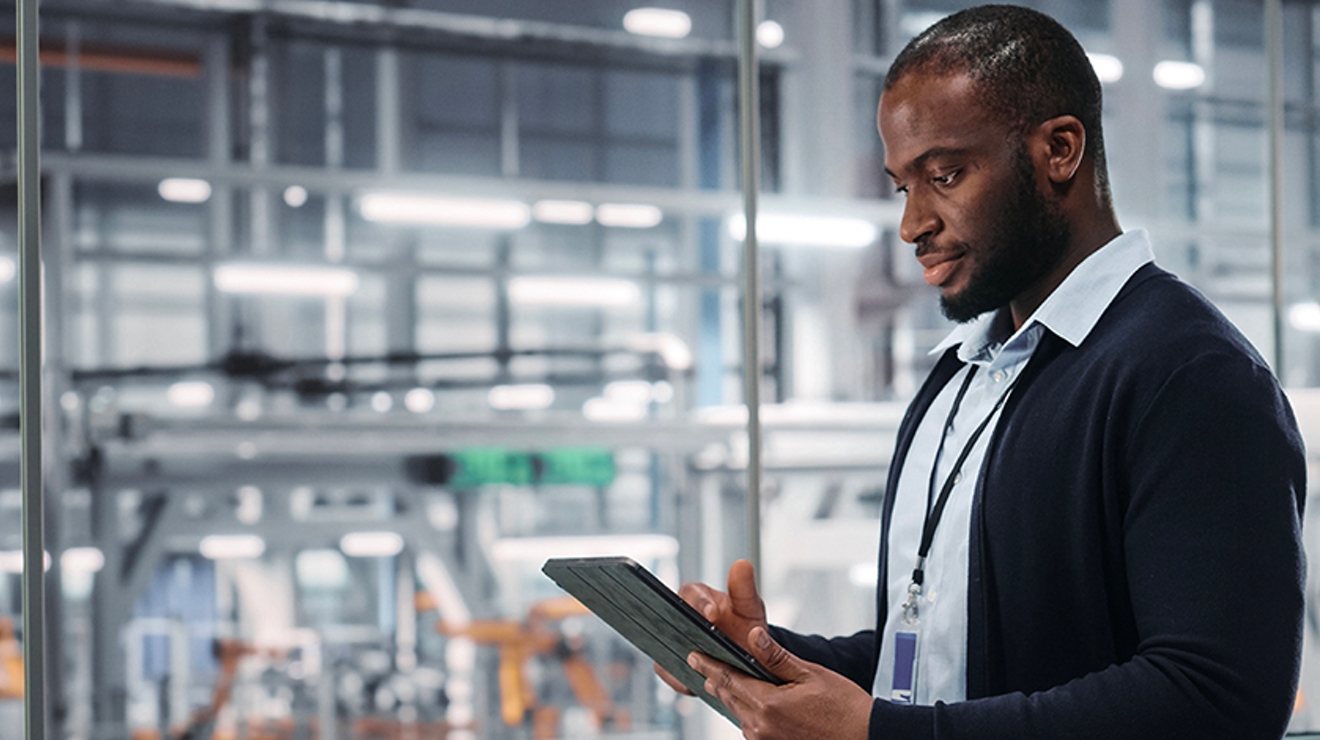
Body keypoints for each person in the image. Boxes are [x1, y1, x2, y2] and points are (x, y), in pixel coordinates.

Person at [657, 5, 1307, 739]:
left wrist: (881, 734)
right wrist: (770, 658)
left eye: (946, 175)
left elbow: (1215, 697)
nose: (912, 225)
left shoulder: (1189, 375)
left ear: (1058, 151)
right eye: (905, 187)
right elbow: (941, 655)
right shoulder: (962, 381)